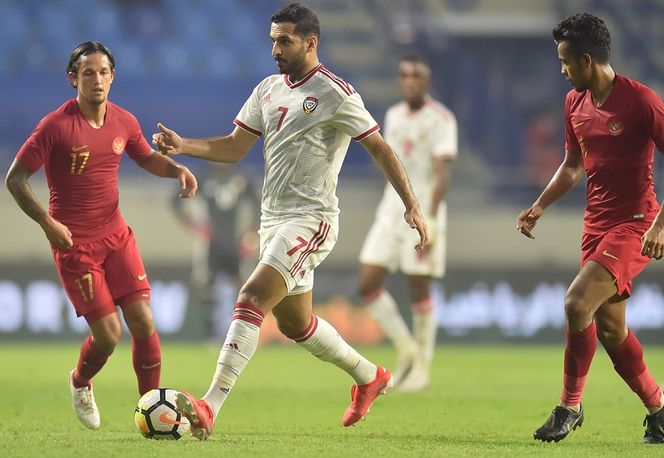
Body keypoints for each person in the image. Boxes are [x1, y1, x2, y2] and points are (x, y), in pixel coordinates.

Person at [152, 3, 427, 440]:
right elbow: (234, 147)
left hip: (311, 219)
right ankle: (369, 376)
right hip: (272, 221)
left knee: (251, 295)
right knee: (297, 324)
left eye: (284, 41)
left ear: (310, 41)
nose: (275, 49)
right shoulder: (267, 89)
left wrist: (411, 203)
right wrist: (183, 145)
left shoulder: (336, 92)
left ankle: (210, 404)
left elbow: (379, 147)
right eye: (273, 41)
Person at [516, 13, 664, 444]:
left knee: (577, 304)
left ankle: (569, 407)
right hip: (595, 225)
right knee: (611, 329)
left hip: (634, 225)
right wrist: (540, 205)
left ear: (587, 60)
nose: (562, 70)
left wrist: (662, 225)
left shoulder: (641, 101)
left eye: (566, 62)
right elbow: (573, 166)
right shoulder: (574, 104)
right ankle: (658, 404)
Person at [4, 41, 198, 430]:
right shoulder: (55, 126)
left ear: (113, 77)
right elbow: (15, 179)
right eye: (88, 72)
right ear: (73, 78)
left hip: (116, 236)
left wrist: (176, 169)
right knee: (108, 335)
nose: (97, 79)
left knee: (143, 320)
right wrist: (47, 222)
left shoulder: (124, 121)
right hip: (74, 244)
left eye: (104, 72)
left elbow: (144, 157)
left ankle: (152, 410)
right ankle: (80, 381)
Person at [357, 56, 457, 392]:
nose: (409, 81)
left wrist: (430, 218)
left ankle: (422, 369)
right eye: (404, 75)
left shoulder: (442, 119)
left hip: (424, 210)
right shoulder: (393, 115)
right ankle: (407, 350)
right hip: (391, 208)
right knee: (367, 282)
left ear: (427, 81)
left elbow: (442, 176)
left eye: (416, 75)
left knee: (419, 285)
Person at [172, 164, 258, 339]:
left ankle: (240, 332)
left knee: (242, 285)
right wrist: (194, 225)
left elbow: (259, 205)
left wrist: (251, 232)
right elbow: (175, 200)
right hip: (211, 243)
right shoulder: (203, 179)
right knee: (208, 285)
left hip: (236, 242)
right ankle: (211, 333)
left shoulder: (241, 179)